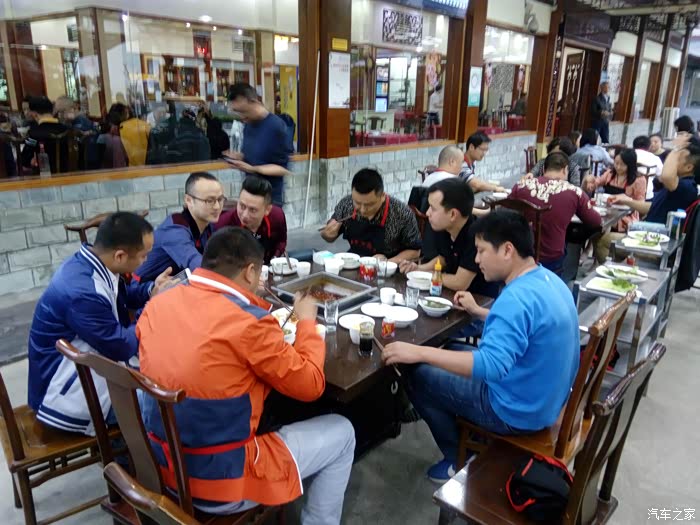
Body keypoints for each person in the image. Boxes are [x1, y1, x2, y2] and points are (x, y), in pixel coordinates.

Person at [137, 227, 355, 522]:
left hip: (161, 465)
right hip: (219, 481)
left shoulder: (158, 304)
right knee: (343, 432)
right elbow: (311, 385)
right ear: (251, 272)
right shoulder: (249, 323)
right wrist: (306, 322)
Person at [382, 210, 579, 482]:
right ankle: (466, 434)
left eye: (481, 250)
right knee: (449, 349)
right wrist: (480, 312)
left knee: (416, 374)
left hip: (515, 411)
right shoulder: (548, 280)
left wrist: (418, 351)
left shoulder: (515, 298)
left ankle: (457, 459)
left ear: (507, 250)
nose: (476, 259)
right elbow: (529, 327)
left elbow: (491, 366)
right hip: (546, 398)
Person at [27, 212, 173, 435]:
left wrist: (152, 289)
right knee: (163, 407)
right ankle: (127, 451)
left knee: (163, 378)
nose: (146, 261)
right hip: (64, 392)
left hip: (87, 368)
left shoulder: (92, 263)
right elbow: (122, 346)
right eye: (144, 256)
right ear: (120, 256)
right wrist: (153, 307)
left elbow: (121, 296)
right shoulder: (82, 292)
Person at [400, 178, 498, 298]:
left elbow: (460, 283)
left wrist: (427, 275)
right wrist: (418, 269)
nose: (427, 213)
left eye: (433, 208)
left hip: (480, 300)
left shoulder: (476, 236)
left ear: (452, 214)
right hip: (451, 294)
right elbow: (443, 258)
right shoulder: (445, 228)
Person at [510, 151, 602, 275]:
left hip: (520, 253)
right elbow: (595, 221)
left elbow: (507, 211)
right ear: (565, 170)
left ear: (544, 169)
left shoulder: (521, 185)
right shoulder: (574, 192)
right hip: (551, 257)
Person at [134, 172, 225, 283]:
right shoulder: (174, 230)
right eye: (209, 201)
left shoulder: (208, 226)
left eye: (220, 199)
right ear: (188, 200)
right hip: (143, 288)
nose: (217, 206)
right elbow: (199, 266)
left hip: (175, 285)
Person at [320, 168, 422, 261]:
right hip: (354, 262)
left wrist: (386, 263)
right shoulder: (346, 204)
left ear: (382, 196)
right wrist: (326, 234)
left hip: (388, 268)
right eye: (357, 203)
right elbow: (330, 236)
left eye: (369, 205)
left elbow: (415, 251)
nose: (363, 210)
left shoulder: (401, 213)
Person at [226, 83, 292, 206]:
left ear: (253, 102)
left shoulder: (277, 127)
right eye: (237, 112)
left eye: (243, 111)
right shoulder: (248, 125)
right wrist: (240, 157)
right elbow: (255, 157)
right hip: (250, 194)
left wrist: (252, 169)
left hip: (269, 200)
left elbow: (283, 169)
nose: (241, 117)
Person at [609, 134, 700, 224]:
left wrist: (677, 149)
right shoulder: (679, 184)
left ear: (688, 167)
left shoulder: (687, 186)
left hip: (660, 230)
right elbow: (652, 207)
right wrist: (625, 200)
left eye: (677, 159)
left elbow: (666, 177)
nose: (672, 161)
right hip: (649, 224)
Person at [587, 149, 647, 263]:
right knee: (593, 227)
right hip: (608, 211)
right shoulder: (610, 174)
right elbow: (597, 182)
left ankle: (606, 260)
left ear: (630, 164)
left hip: (627, 216)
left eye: (622, 165)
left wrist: (627, 200)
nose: (618, 167)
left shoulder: (638, 180)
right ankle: (597, 257)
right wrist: (591, 183)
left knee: (602, 231)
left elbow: (640, 203)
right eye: (616, 163)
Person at [216, 175, 287, 264]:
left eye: (252, 210)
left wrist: (275, 259)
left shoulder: (277, 217)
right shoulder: (223, 224)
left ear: (267, 210)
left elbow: (281, 242)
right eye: (242, 206)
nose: (245, 215)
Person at [21, 96, 69, 174]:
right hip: (71, 175)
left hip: (44, 176)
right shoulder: (67, 129)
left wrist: (31, 161)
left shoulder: (33, 134)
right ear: (52, 111)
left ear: (34, 114)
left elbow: (24, 159)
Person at [97, 103, 129, 169]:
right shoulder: (116, 140)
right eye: (126, 114)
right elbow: (120, 167)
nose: (128, 117)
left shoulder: (101, 137)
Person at [632, 135, 664, 199]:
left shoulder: (627, 154)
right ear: (649, 146)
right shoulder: (655, 158)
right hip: (647, 195)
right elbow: (662, 178)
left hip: (626, 193)